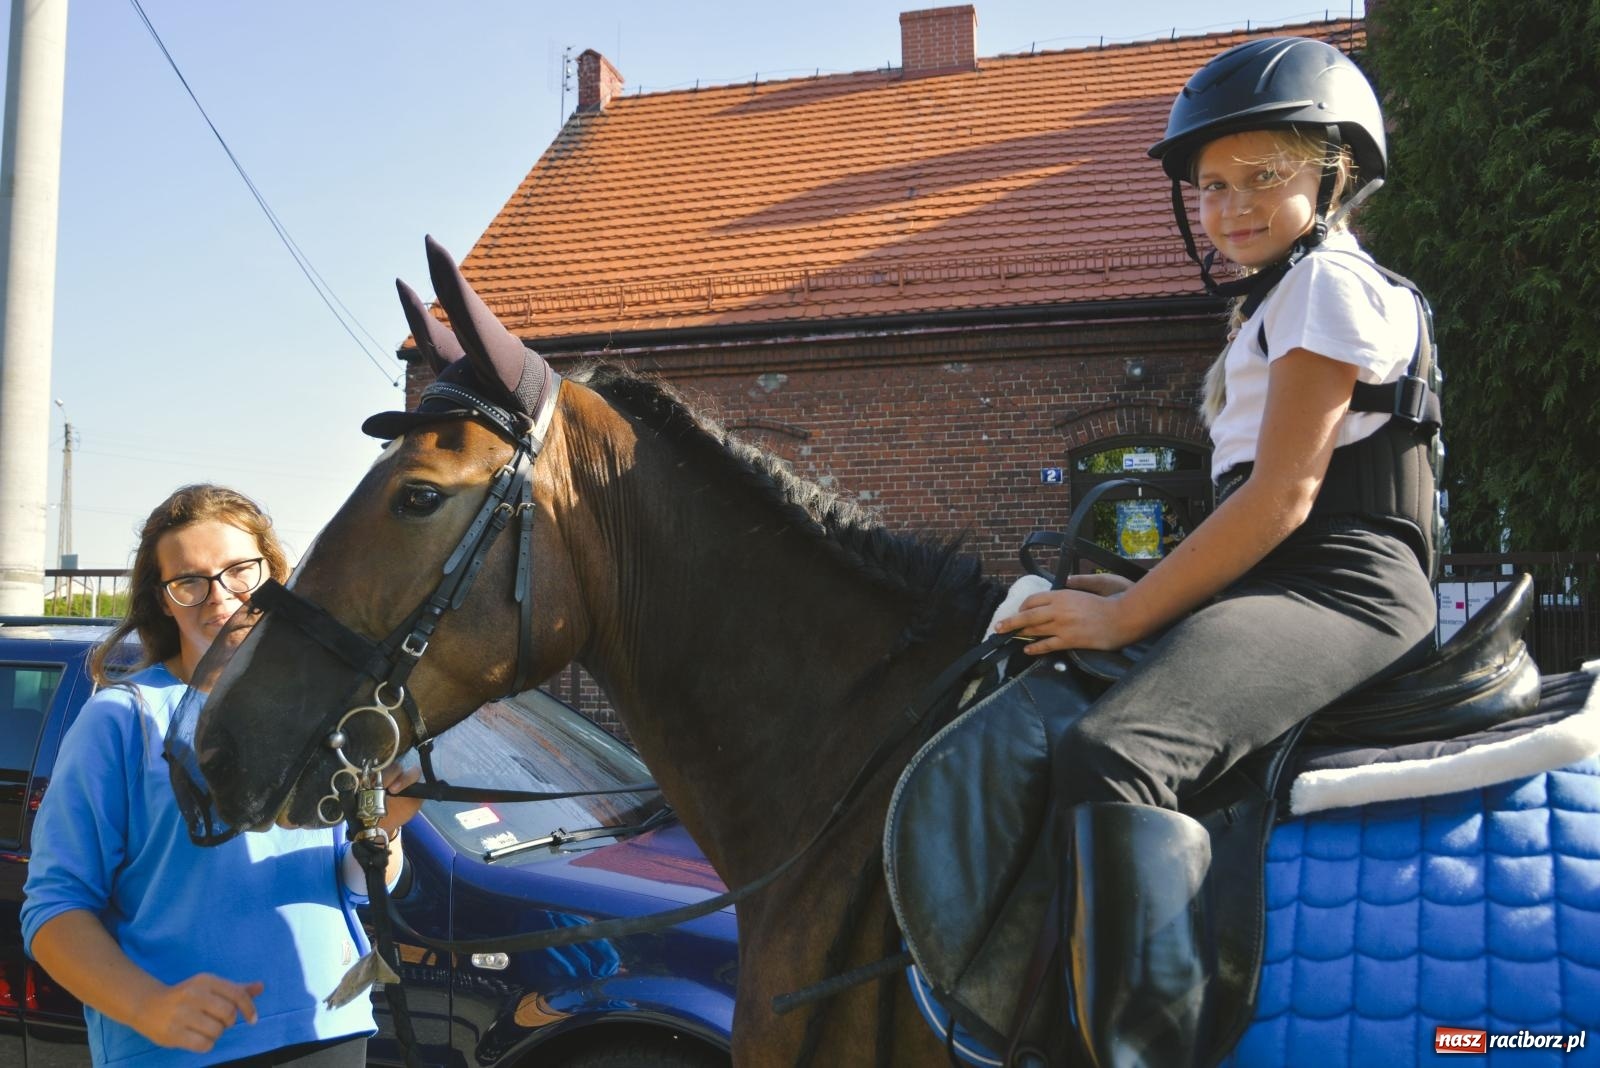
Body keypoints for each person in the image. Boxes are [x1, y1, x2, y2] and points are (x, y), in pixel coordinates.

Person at [994, 37, 1441, 1066]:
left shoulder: (1327, 286)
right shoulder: (1276, 302)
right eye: (1209, 188)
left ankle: (1132, 1051)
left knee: (1117, 752)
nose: (1230, 207)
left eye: (1261, 178)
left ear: (1331, 178)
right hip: (1286, 581)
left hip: (1345, 592)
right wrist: (1149, 582)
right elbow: (1252, 510)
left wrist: (1129, 614)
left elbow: (1283, 499)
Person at [22, 484, 421, 1067]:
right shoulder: (122, 718)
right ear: (162, 600)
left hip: (330, 1023)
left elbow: (354, 888)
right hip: (179, 1048)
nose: (220, 598)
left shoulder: (321, 709)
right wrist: (146, 1005)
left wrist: (382, 831)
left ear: (274, 572)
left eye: (240, 571)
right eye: (190, 582)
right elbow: (53, 910)